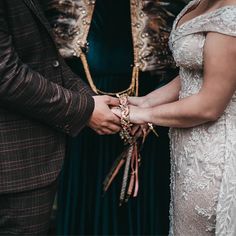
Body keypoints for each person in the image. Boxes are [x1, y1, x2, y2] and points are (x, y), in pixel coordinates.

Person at [42, 0, 186, 235]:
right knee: (86, 201)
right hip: (83, 120)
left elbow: (186, 66)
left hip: (151, 117)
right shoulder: (60, 8)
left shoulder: (171, 7)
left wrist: (153, 111)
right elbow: (50, 65)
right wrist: (81, 108)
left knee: (144, 202)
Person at [112, 0, 236, 235]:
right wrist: (146, 101)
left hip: (216, 154)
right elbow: (195, 70)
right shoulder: (200, 2)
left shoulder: (232, 16)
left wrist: (142, 114)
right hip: (188, 150)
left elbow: (209, 106)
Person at [0, 0, 120, 234]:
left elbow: (45, 60)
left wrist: (92, 100)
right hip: (12, 165)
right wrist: (84, 109)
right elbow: (6, 74)